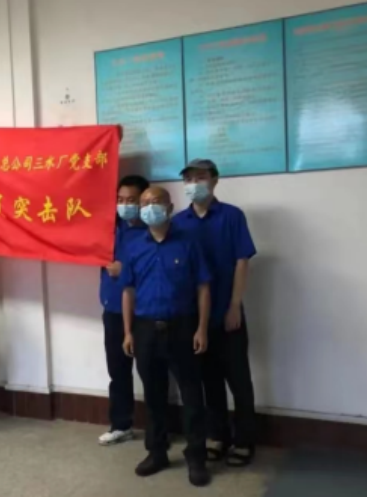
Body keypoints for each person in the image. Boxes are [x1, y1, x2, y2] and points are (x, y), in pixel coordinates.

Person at [121, 186, 212, 487]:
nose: (150, 207)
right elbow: (128, 291)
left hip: (183, 326)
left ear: (170, 207)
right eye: (145, 203)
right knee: (153, 394)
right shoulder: (134, 246)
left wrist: (201, 328)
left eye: (157, 202)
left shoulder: (189, 242)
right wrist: (128, 331)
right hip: (145, 328)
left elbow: (203, 288)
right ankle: (157, 452)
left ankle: (196, 456)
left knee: (191, 394)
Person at [173, 159, 257, 467]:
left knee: (238, 379)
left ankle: (244, 440)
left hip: (227, 310)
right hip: (195, 318)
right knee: (209, 380)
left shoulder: (232, 216)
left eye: (200, 177)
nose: (194, 184)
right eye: (189, 179)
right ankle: (218, 436)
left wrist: (235, 305)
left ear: (215, 180)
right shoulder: (178, 222)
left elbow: (242, 261)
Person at [98, 174, 149, 446]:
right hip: (113, 310)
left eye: (131, 200)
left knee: (151, 373)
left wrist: (125, 269)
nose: (125, 205)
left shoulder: (154, 230)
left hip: (145, 313)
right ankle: (121, 424)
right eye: (120, 199)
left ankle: (159, 429)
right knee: (118, 371)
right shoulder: (108, 227)